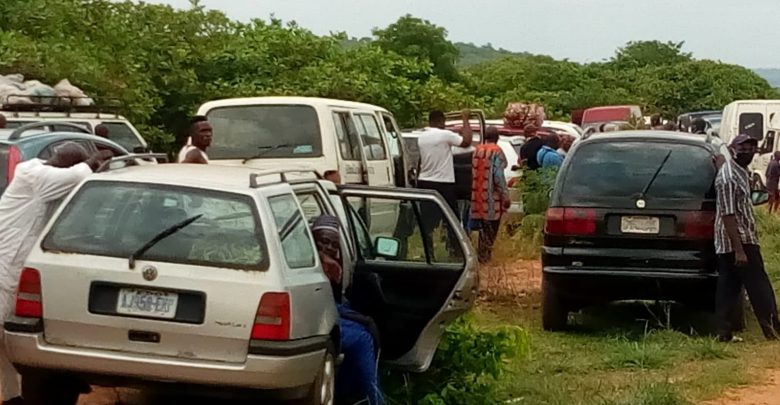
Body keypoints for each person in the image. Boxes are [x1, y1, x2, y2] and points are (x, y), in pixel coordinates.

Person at [0, 143, 111, 404]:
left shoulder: (42, 175)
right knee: (6, 334)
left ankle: (15, 395)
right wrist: (93, 161)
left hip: (15, 265)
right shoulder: (35, 176)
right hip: (5, 263)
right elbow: (76, 176)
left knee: (5, 336)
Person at [714, 134, 780, 342]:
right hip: (738, 240)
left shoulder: (739, 171)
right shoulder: (727, 178)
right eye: (743, 148)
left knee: (729, 287)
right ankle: (772, 330)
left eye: (752, 148)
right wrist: (740, 249)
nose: (748, 152)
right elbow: (728, 214)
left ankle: (723, 332)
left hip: (739, 239)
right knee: (759, 285)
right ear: (734, 150)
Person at [311, 215, 383, 405]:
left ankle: (352, 396)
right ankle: (374, 399)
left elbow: (333, 305)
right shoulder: (309, 262)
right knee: (362, 338)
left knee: (365, 329)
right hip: (312, 322)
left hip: (327, 315)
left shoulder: (334, 267)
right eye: (324, 241)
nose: (329, 248)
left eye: (334, 245)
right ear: (312, 239)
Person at [417, 110, 472, 247]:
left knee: (427, 221)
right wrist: (465, 120)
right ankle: (454, 249)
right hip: (443, 183)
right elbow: (466, 142)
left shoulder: (422, 137)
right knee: (452, 219)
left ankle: (428, 250)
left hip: (424, 181)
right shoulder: (444, 135)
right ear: (442, 121)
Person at [471, 126, 510, 263]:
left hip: (477, 195)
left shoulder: (477, 150)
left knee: (482, 228)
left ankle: (481, 254)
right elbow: (498, 176)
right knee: (492, 227)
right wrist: (505, 196)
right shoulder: (496, 151)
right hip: (492, 198)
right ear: (497, 137)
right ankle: (485, 256)